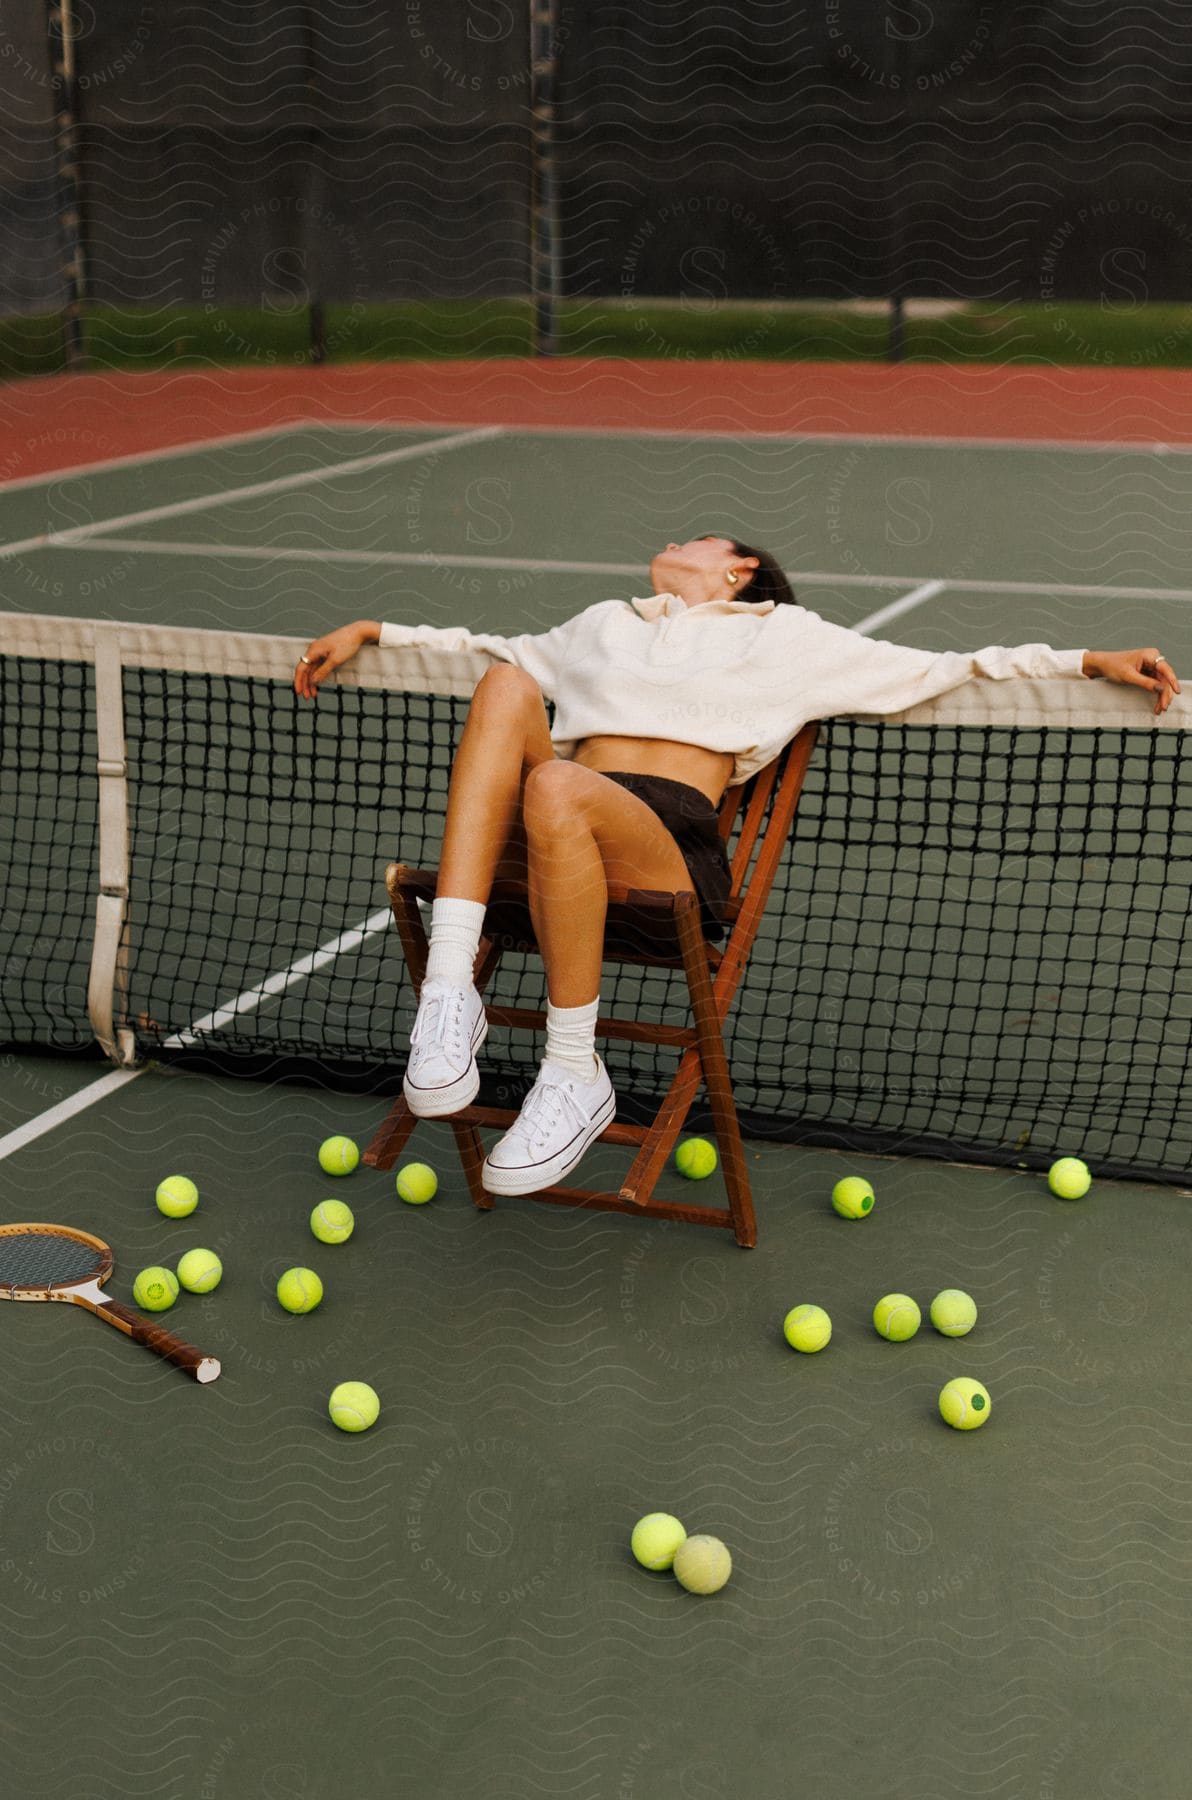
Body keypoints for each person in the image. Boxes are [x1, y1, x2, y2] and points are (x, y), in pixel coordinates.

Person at [294, 533, 1180, 1197]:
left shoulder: (790, 637)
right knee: (504, 692)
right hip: (551, 834)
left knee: (561, 782)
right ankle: (449, 996)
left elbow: (951, 670)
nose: (673, 541)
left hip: (663, 849)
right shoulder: (602, 624)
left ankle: (575, 1073)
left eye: (697, 537)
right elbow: (483, 654)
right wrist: (376, 628)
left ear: (738, 569)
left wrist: (1085, 661)